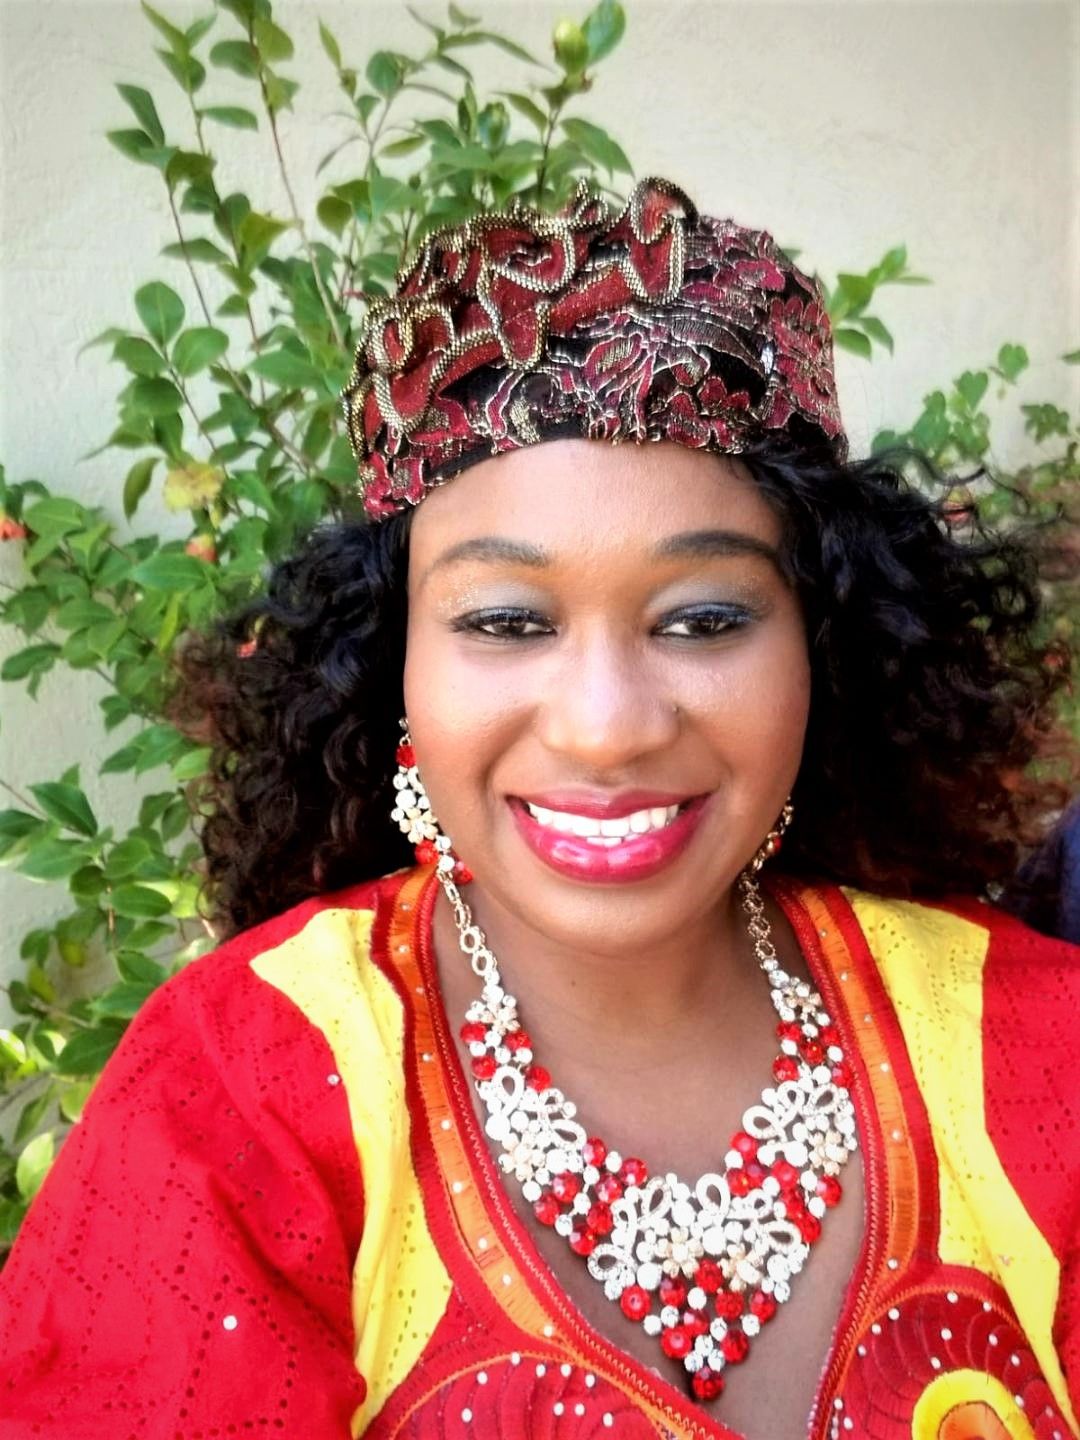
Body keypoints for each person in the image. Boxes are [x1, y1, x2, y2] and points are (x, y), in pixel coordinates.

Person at [1, 177, 1077, 1440]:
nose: (607, 727)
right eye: (507, 623)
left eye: (704, 620)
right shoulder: (238, 1096)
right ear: (392, 665)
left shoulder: (1030, 1045)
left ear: (823, 651)